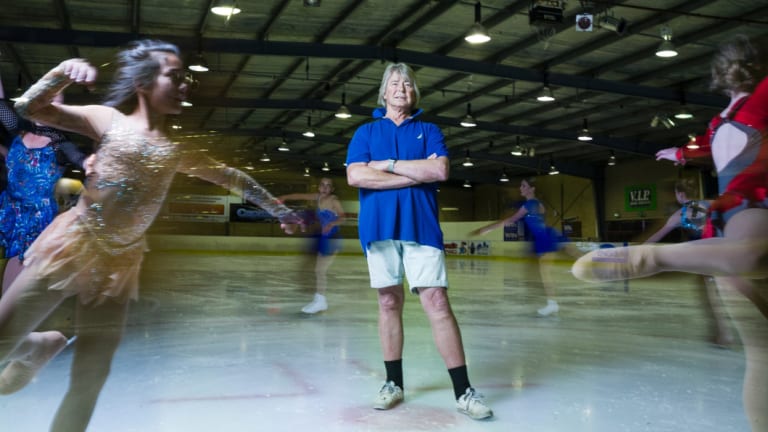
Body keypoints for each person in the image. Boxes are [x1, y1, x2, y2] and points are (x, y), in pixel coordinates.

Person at [0, 39, 302, 432]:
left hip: (118, 265)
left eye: (186, 77)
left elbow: (231, 176)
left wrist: (280, 210)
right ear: (143, 82)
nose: (185, 84)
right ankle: (38, 345)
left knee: (89, 379)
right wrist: (61, 73)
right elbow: (29, 109)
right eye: (173, 76)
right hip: (73, 244)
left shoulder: (176, 150)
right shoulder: (107, 120)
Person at [572, 35, 767, 431]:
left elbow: (702, 150)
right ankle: (658, 258)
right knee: (753, 257)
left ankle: (658, 257)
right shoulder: (761, 97)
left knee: (762, 354)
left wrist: (678, 154)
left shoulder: (719, 122)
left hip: (729, 215)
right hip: (752, 207)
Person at [345, 62, 493, 420]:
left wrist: (388, 164)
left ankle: (464, 391)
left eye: (408, 84)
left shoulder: (429, 129)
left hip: (421, 227)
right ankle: (393, 383)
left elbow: (439, 171)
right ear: (383, 92)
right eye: (394, 83)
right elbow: (355, 176)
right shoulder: (365, 132)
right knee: (388, 302)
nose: (401, 89)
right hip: (378, 228)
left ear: (415, 93)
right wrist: (415, 172)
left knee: (438, 302)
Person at [0, 71, 90, 294]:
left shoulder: (59, 141)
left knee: (28, 263)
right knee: (15, 259)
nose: (52, 103)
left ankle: (13, 313)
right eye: (49, 97)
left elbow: (82, 161)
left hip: (40, 215)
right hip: (13, 209)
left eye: (57, 101)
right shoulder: (18, 129)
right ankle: (6, 312)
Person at [642, 178, 734, 347]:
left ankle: (723, 334)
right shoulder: (711, 204)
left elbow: (657, 236)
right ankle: (723, 332)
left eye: (677, 193)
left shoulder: (681, 214)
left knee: (709, 295)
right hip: (726, 250)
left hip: (705, 255)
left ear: (681, 194)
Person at [470, 177, 563, 316]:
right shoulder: (538, 203)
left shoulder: (530, 204)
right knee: (543, 273)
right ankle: (552, 303)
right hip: (544, 237)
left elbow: (511, 220)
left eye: (524, 186)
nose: (520, 188)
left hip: (544, 239)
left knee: (545, 274)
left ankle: (552, 304)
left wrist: (487, 229)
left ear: (532, 189)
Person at [278, 177, 345, 314]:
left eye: (328, 185)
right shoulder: (318, 197)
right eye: (322, 185)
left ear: (332, 189)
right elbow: (299, 195)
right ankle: (319, 299)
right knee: (318, 270)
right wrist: (284, 197)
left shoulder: (334, 200)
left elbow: (342, 217)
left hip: (332, 238)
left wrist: (332, 224)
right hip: (324, 237)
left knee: (320, 270)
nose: (325, 187)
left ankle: (320, 301)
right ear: (319, 187)